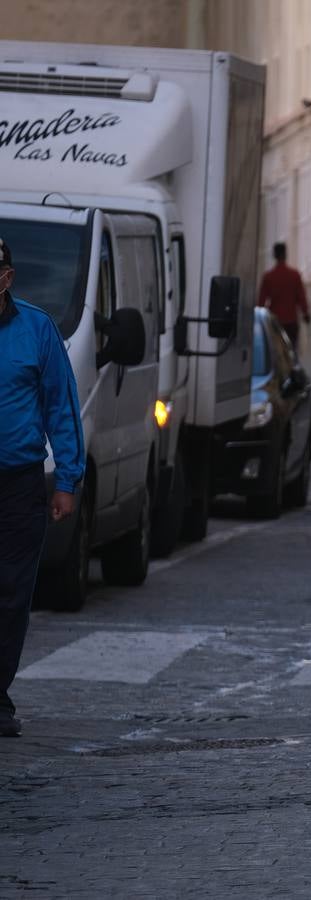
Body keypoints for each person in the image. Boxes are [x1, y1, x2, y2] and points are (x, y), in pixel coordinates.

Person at [0, 237, 84, 738]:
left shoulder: (37, 329)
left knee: (10, 593)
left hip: (18, 485)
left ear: (6, 278)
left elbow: (61, 406)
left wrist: (68, 480)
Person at [258, 242, 311, 352]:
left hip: (274, 320)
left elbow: (261, 301)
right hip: (291, 320)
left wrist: (258, 320)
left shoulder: (269, 277)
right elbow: (301, 297)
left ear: (274, 255)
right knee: (291, 350)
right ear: (285, 254)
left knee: (275, 352)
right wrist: (306, 313)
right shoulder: (294, 275)